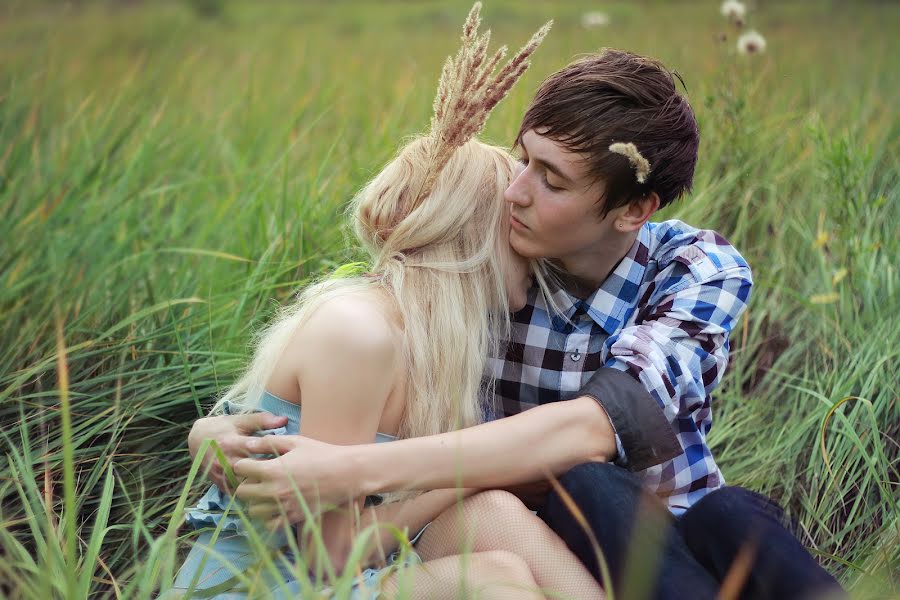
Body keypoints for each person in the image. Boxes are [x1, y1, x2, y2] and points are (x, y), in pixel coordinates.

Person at [193, 48, 848, 599]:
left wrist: (353, 471)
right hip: (525, 524)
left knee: (704, 506)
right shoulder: (474, 296)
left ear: (633, 209)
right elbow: (373, 308)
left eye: (552, 181)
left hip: (652, 519)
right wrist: (213, 429)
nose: (515, 193)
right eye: (523, 159)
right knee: (530, 525)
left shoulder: (694, 269)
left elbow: (596, 430)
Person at [172, 6, 603, 600]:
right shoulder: (360, 333)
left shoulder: (432, 343)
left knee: (497, 513)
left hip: (340, 573)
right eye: (516, 232)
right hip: (261, 584)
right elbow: (329, 557)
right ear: (475, 242)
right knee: (495, 578)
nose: (538, 257)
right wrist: (466, 473)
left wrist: (471, 483)